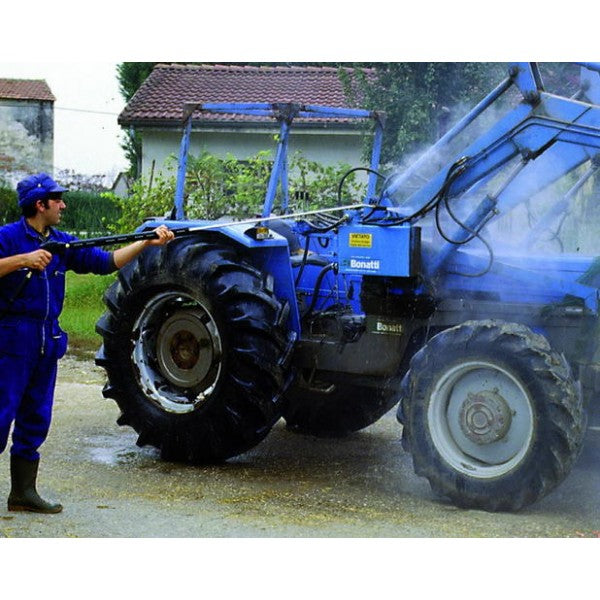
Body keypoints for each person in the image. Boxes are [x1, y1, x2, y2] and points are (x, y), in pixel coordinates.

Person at [0, 172, 174, 514]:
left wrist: (146, 242)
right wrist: (24, 260)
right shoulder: (7, 238)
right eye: (57, 200)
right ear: (40, 204)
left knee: (36, 417)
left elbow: (106, 261)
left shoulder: (61, 242)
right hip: (11, 339)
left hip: (46, 340)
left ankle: (23, 493)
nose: (63, 205)